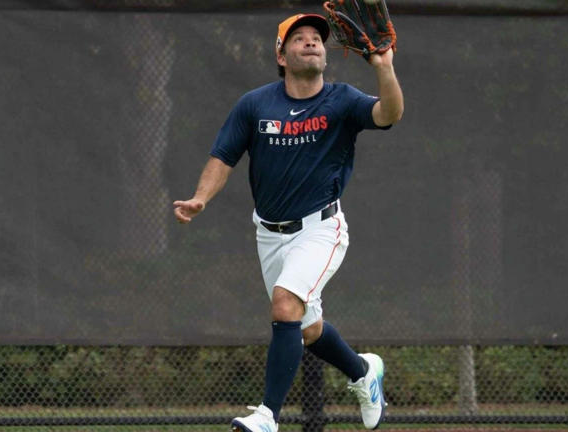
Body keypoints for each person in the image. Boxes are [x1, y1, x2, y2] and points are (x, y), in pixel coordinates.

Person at [173, 12, 404, 432]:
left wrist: (384, 69)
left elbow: (390, 114)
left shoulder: (342, 100)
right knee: (307, 327)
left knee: (284, 305)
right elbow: (223, 156)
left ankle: (267, 416)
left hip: (321, 228)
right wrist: (200, 198)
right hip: (269, 233)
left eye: (317, 37)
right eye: (299, 38)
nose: (312, 42)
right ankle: (362, 372)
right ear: (280, 54)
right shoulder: (255, 104)